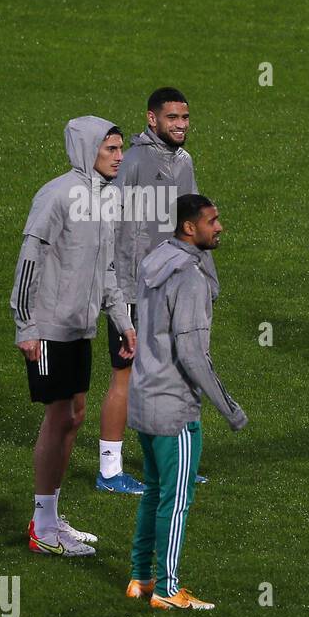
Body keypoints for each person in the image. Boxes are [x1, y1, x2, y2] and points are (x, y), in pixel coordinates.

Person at [10, 116, 136, 556]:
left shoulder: (107, 198)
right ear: (87, 149)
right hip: (48, 329)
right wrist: (26, 325)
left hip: (79, 328)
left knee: (74, 415)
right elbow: (30, 257)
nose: (120, 157)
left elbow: (105, 269)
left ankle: (49, 518)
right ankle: (43, 528)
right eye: (111, 150)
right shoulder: (58, 194)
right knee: (60, 416)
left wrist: (122, 320)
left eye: (121, 150)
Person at [125, 195, 247, 610]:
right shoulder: (189, 279)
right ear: (189, 228)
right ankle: (167, 589)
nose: (220, 227)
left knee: (154, 490)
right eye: (212, 221)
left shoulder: (156, 260)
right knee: (176, 502)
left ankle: (141, 576)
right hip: (173, 404)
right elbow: (193, 355)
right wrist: (229, 409)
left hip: (143, 394)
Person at [99, 86, 201, 493]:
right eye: (172, 118)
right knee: (125, 377)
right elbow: (113, 224)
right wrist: (118, 293)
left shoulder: (184, 162)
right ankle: (108, 469)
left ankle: (168, 464)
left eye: (185, 118)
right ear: (152, 118)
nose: (180, 125)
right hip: (133, 290)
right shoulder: (135, 160)